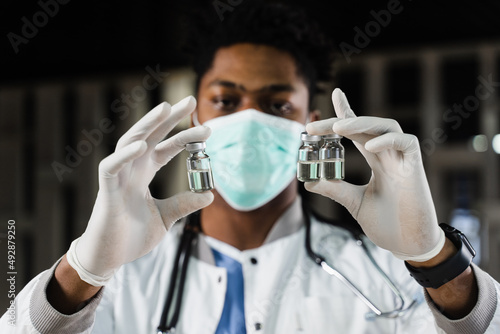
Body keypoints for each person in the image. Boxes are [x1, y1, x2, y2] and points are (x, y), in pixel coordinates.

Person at [2, 2, 500, 333]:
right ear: (195, 112)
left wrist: (434, 257)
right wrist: (84, 270)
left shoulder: (378, 279)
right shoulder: (120, 279)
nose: (250, 119)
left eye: (278, 103)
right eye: (226, 99)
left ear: (313, 120)